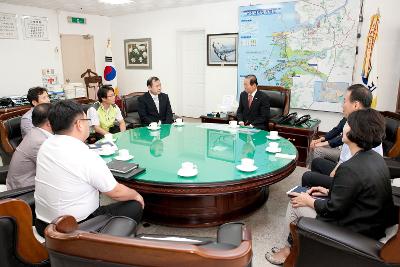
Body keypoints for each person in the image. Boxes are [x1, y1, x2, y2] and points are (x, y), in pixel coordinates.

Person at [266, 109, 397, 265]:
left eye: (348, 123)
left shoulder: (350, 168)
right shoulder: (375, 158)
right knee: (306, 198)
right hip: (370, 223)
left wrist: (309, 201)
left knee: (295, 203)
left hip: (355, 229)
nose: (344, 124)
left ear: (356, 131)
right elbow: (357, 192)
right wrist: (328, 191)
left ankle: (287, 251)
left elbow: (332, 210)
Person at [34, 100, 144, 237]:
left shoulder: (46, 145)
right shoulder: (84, 154)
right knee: (134, 204)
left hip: (42, 225)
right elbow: (115, 192)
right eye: (87, 120)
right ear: (79, 124)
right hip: (74, 229)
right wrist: (136, 195)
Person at [302, 84, 382, 188]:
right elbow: (344, 158)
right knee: (317, 162)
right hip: (350, 171)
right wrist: (335, 171)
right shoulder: (361, 120)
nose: (342, 105)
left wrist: (334, 176)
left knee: (307, 176)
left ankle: (324, 200)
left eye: (344, 101)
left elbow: (350, 166)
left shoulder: (362, 128)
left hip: (356, 182)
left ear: (356, 105)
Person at [6, 103, 53, 190]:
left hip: (26, 182)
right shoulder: (40, 141)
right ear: (49, 123)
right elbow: (55, 170)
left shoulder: (35, 132)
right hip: (24, 190)